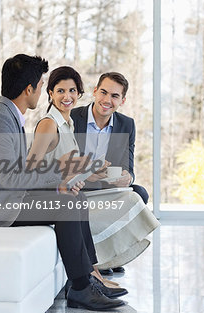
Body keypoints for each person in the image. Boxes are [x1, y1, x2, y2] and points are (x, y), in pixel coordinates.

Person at [0, 55, 125, 311]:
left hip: (4, 196)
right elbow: (12, 177)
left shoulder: (8, 117)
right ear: (29, 89)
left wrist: (62, 181)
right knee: (66, 205)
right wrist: (60, 173)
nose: (42, 91)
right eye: (42, 83)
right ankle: (80, 288)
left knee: (74, 198)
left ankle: (89, 277)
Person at [26, 65, 123, 291]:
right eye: (60, 91)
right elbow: (30, 170)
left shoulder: (68, 125)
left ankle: (92, 270)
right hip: (37, 195)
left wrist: (88, 173)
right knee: (75, 201)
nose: (66, 97)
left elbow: (65, 169)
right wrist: (63, 179)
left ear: (79, 94)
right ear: (50, 93)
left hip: (56, 190)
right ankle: (88, 277)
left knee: (79, 200)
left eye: (72, 91)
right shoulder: (49, 125)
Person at [71, 72, 160, 274]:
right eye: (103, 92)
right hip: (79, 186)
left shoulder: (126, 124)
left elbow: (128, 166)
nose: (107, 100)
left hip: (107, 187)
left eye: (114, 96)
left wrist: (127, 178)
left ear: (122, 100)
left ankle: (112, 254)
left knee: (140, 193)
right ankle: (101, 258)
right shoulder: (74, 118)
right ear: (95, 91)